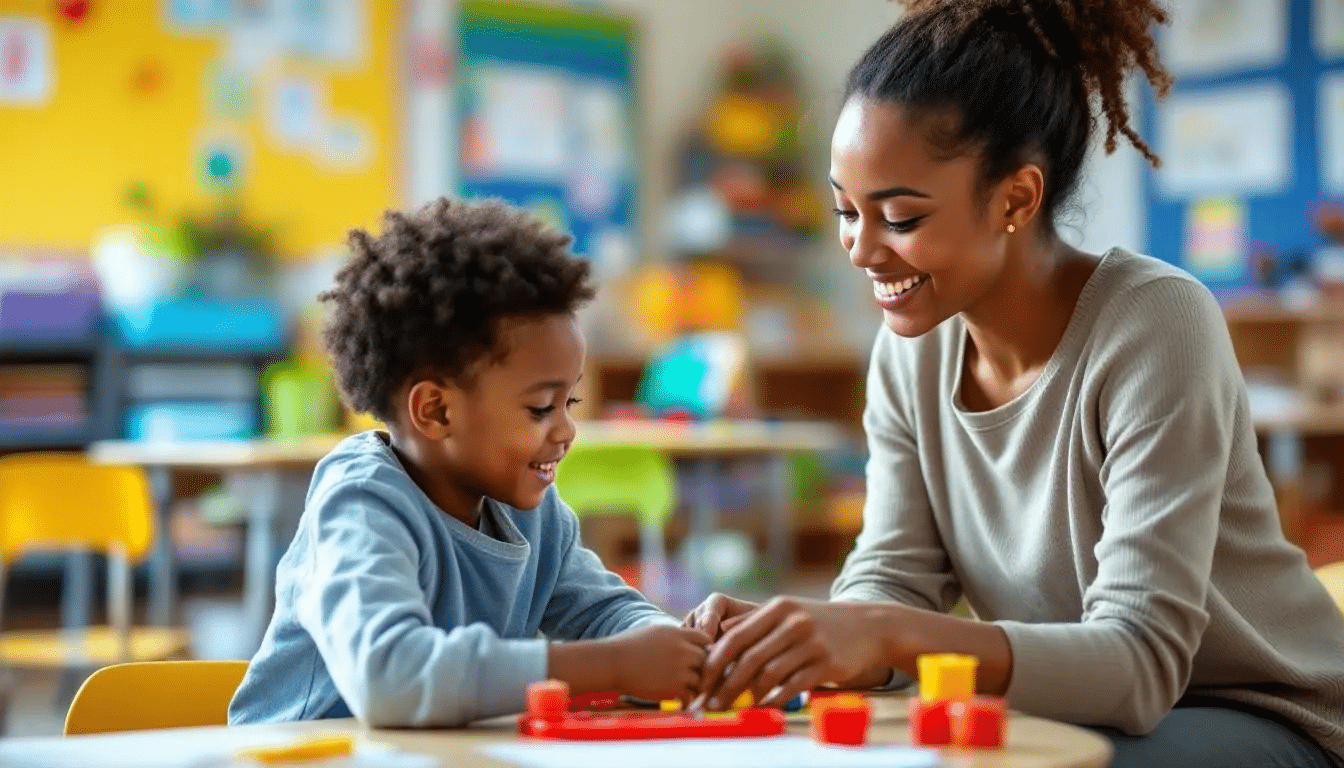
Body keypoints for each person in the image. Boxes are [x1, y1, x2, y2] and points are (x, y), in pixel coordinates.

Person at [684, 2, 1344, 765]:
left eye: (899, 217)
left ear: (1017, 199)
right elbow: (894, 576)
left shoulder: (1156, 324)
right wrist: (799, 640)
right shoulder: (909, 351)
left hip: (1260, 714)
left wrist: (885, 635)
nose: (861, 250)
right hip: (1083, 714)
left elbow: (1139, 665)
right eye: (844, 210)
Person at [230, 198, 708, 727]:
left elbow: (602, 612)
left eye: (568, 404)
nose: (567, 429)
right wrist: (614, 665)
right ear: (435, 410)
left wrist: (678, 646)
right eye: (540, 408)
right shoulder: (362, 505)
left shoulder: (531, 513)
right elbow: (391, 677)